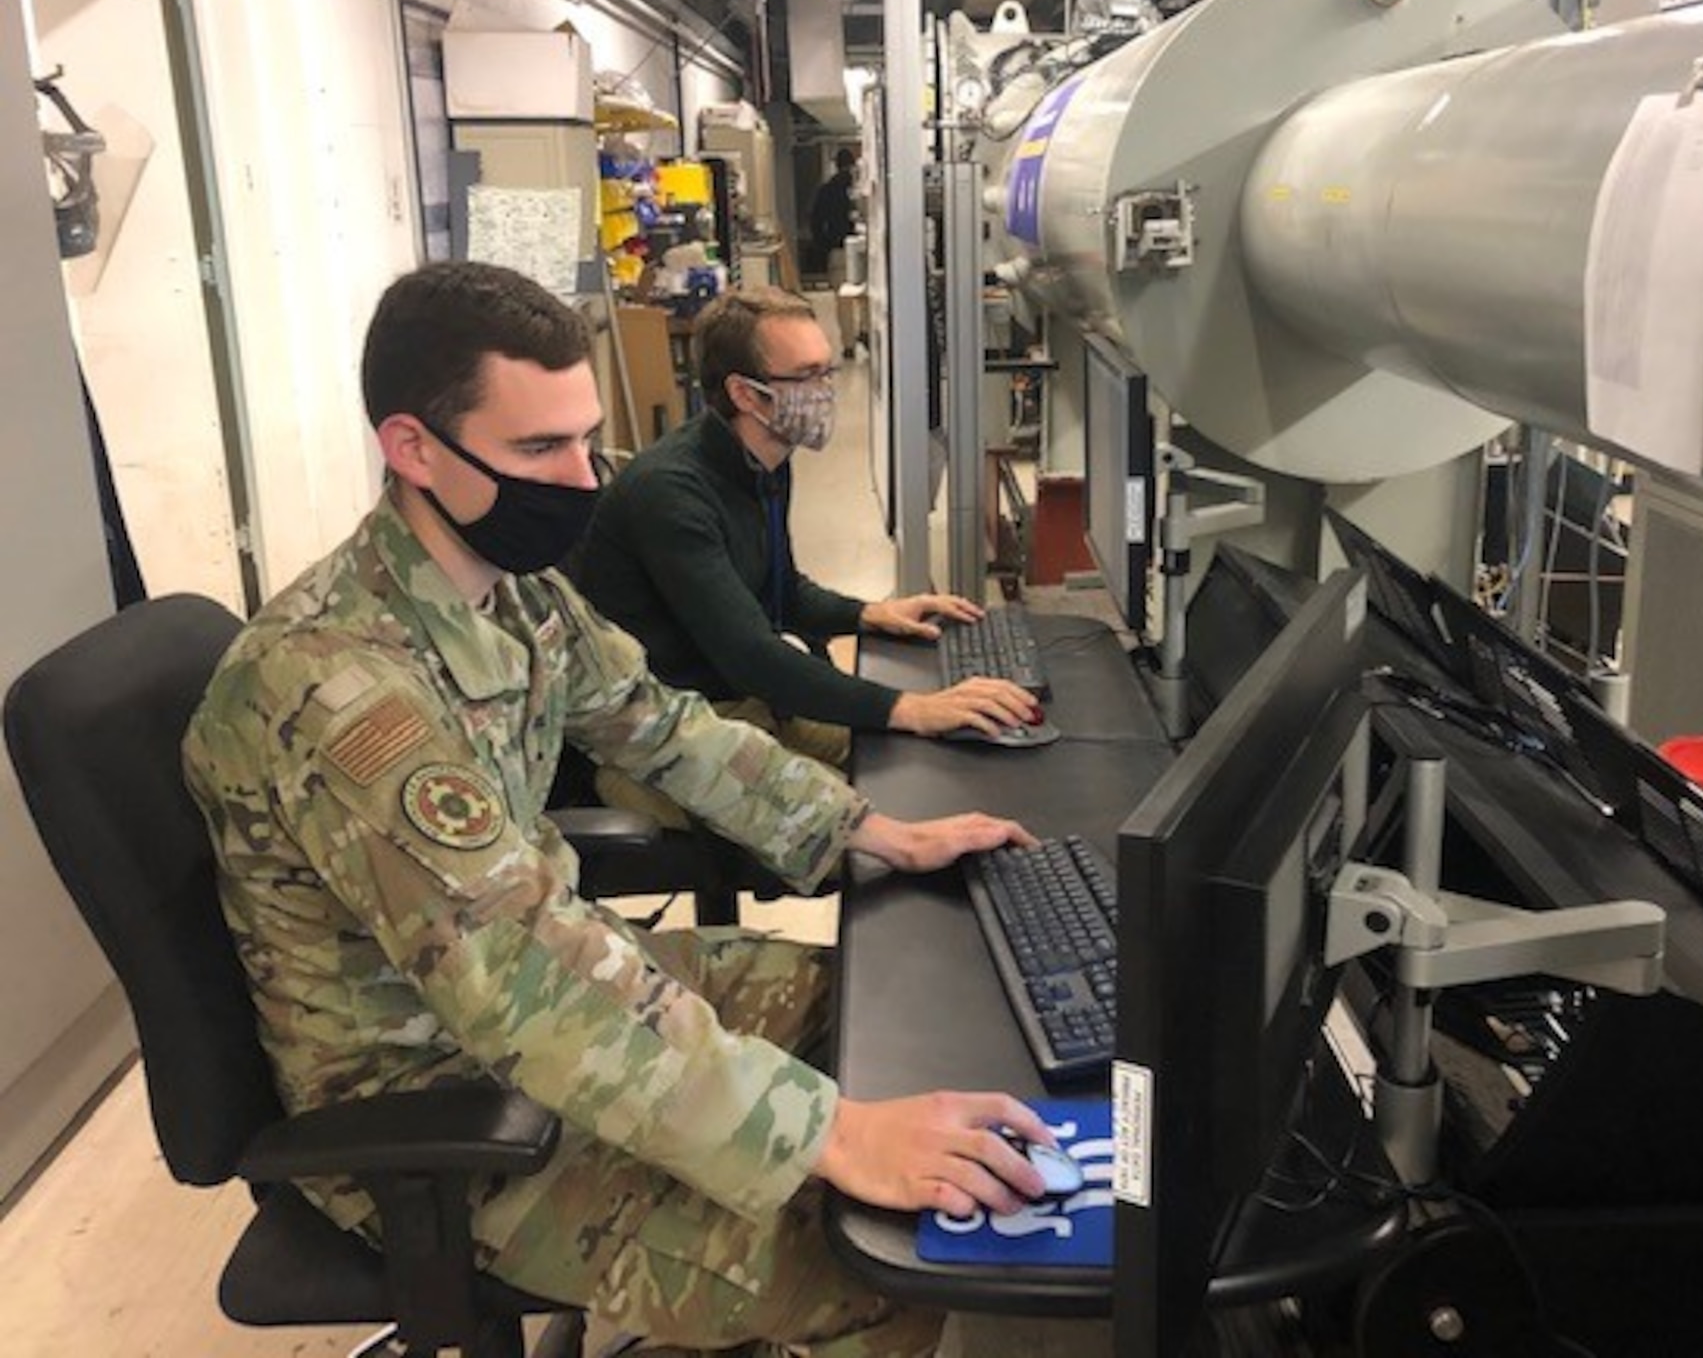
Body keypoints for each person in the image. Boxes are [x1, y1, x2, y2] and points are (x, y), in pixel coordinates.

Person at [182, 261, 1058, 1356]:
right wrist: (825, 1134)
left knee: (874, 1023)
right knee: (877, 1263)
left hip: (550, 1000)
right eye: (538, 450)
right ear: (411, 449)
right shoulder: (338, 689)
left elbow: (661, 724)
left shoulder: (512, 589)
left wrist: (864, 829)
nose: (584, 479)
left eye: (585, 437)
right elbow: (519, 975)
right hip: (434, 1100)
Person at [573, 288, 1036, 831]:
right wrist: (909, 707)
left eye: (828, 372)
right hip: (666, 733)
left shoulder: (763, 459)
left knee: (926, 761)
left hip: (739, 702)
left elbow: (779, 591)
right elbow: (750, 654)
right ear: (747, 394)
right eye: (808, 376)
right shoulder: (670, 492)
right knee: (877, 817)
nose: (825, 392)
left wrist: (867, 615)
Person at [808, 147, 857, 275]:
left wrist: (823, 244)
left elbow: (815, 220)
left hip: (834, 242)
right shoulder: (856, 188)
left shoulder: (827, 190)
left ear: (836, 165)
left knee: (839, 277)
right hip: (854, 240)